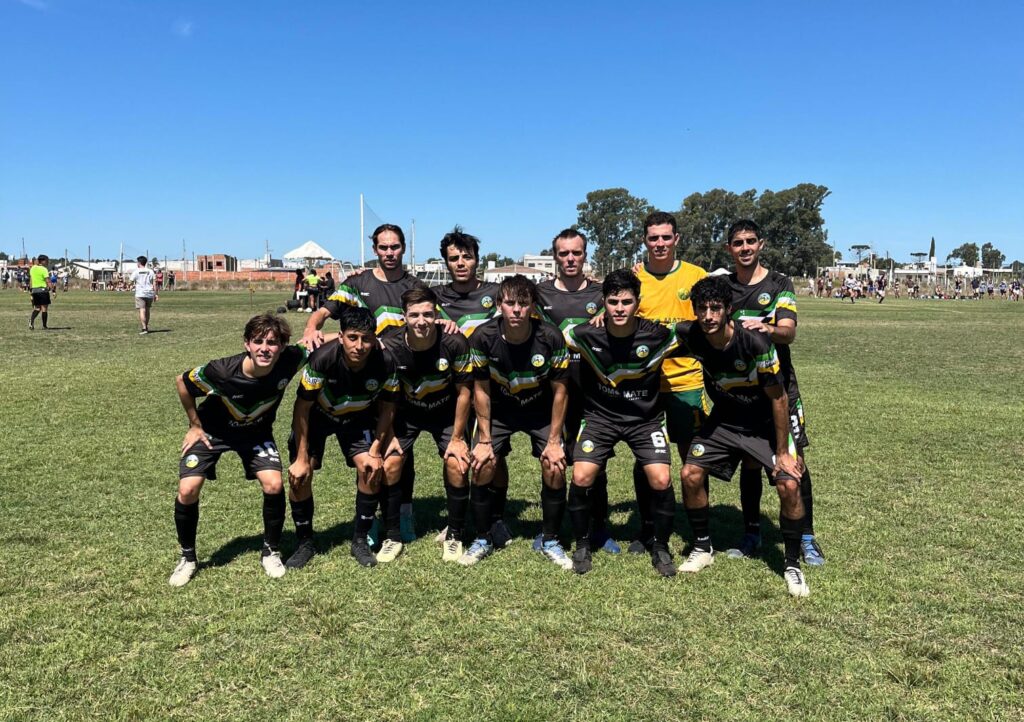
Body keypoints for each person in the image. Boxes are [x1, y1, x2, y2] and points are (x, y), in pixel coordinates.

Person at [301, 224, 440, 543]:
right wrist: (311, 329)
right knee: (371, 453)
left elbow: (434, 319)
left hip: (403, 379)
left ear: (403, 248)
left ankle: (403, 513)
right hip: (365, 382)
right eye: (383, 247)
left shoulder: (414, 285)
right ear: (374, 249)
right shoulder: (357, 283)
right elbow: (324, 311)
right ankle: (372, 519)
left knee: (399, 451)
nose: (389, 253)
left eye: (395, 247)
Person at [675, 276, 810, 597]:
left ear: (728, 310)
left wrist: (783, 452)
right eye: (702, 309)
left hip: (764, 422)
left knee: (789, 483)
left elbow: (779, 398)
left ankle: (792, 564)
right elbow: (648, 333)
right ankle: (702, 547)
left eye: (715, 308)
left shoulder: (755, 344)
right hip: (725, 420)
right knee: (689, 473)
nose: (708, 316)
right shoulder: (689, 333)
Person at [169, 313, 308, 587]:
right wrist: (194, 425)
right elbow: (182, 382)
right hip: (213, 432)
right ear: (247, 344)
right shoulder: (221, 371)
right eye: (258, 342)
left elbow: (318, 342)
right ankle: (188, 558)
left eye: (272, 342)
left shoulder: (290, 359)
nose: (265, 348)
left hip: (255, 433)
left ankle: (271, 551)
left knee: (274, 484)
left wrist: (324, 332)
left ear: (282, 346)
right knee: (187, 489)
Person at [566, 269, 684, 577]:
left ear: (638, 303)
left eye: (627, 302)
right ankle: (582, 544)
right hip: (600, 418)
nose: (620, 308)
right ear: (603, 302)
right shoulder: (584, 334)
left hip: (645, 420)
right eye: (613, 301)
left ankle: (660, 546)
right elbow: (550, 337)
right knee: (581, 475)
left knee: (661, 479)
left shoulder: (658, 334)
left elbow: (700, 332)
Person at [722, 219, 825, 566]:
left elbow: (788, 332)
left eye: (751, 241)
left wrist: (765, 327)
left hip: (781, 388)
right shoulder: (723, 286)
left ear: (761, 244)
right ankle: (752, 533)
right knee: (750, 460)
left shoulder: (780, 283)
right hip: (742, 391)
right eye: (738, 243)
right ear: (729, 248)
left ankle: (807, 538)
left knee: (795, 461)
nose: (745, 248)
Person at [462, 274, 572, 569]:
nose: (517, 310)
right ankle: (483, 537)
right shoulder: (482, 337)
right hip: (500, 410)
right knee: (483, 463)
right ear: (499, 304)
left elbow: (561, 392)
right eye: (510, 303)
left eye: (523, 303)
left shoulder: (550, 337)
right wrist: (485, 440)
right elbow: (481, 390)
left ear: (533, 306)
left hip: (540, 410)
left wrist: (554, 441)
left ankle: (550, 539)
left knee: (554, 465)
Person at [287, 307, 399, 568]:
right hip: (318, 418)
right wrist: (301, 457)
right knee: (300, 475)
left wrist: (375, 449)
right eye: (352, 338)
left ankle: (360, 540)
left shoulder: (386, 362)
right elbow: (302, 408)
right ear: (340, 337)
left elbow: (388, 407)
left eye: (366, 339)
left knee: (370, 468)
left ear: (374, 339)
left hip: (357, 418)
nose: (359, 346)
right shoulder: (322, 359)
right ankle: (305, 542)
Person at [535, 228, 619, 554]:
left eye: (576, 253)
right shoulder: (539, 293)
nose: (570, 259)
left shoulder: (603, 293)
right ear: (555, 256)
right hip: (552, 393)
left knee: (596, 464)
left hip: (593, 394)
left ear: (585, 254)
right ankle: (551, 530)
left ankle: (598, 529)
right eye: (564, 253)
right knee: (553, 460)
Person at [628, 211, 707, 554]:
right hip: (645, 384)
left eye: (665, 237)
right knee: (645, 457)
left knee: (693, 457)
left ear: (676, 239)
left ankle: (698, 532)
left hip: (686, 381)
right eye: (653, 238)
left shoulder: (696, 276)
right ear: (644, 241)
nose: (659, 243)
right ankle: (648, 526)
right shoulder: (635, 279)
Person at [379, 287, 474, 562]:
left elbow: (465, 393)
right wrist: (388, 435)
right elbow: (385, 397)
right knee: (391, 462)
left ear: (437, 314)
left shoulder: (455, 343)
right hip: (406, 413)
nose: (421, 321)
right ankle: (392, 535)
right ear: (403, 316)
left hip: (445, 413)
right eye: (414, 315)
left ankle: (454, 534)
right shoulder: (390, 345)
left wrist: (457, 438)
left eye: (428, 314)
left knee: (457, 463)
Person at [128, 256, 157, 334]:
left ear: (139, 263)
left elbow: (130, 282)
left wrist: (131, 285)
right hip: (149, 293)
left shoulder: (136, 272)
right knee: (147, 310)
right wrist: (155, 294)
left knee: (142, 310)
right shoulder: (150, 271)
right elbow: (154, 283)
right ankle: (146, 326)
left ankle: (144, 328)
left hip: (140, 293)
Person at [28, 254, 54, 330]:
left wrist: (31, 291)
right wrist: (53, 290)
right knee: (44, 308)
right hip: (43, 291)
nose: (47, 262)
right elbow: (48, 281)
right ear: (42, 261)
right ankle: (44, 326)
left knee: (37, 308)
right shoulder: (44, 269)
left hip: (34, 291)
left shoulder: (32, 268)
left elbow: (31, 280)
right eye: (47, 260)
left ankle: (31, 320)